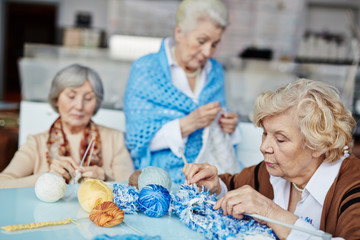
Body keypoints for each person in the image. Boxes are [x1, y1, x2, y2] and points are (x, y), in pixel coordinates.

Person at [183, 79, 360, 239]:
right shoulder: (271, 171)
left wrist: (270, 212)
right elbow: (232, 186)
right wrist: (214, 186)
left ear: (318, 145)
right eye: (265, 133)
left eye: (280, 139)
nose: (264, 147)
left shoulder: (353, 185)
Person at [124, 0, 241, 184]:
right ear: (179, 32)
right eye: (202, 41)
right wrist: (189, 123)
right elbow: (137, 142)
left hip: (211, 179)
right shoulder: (146, 69)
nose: (208, 52)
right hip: (163, 178)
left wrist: (230, 126)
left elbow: (221, 139)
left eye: (214, 44)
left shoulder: (215, 72)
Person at [0, 64, 134, 188]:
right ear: (56, 99)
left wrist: (106, 179)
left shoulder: (115, 139)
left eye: (88, 99)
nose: (79, 106)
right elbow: (3, 183)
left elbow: (130, 188)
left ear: (97, 103)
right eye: (71, 96)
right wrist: (46, 178)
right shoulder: (36, 143)